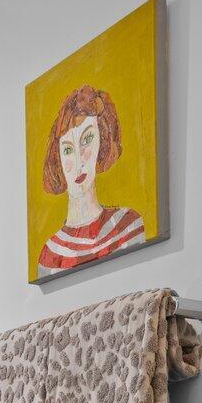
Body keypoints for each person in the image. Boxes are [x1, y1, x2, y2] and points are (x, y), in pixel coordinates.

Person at [36, 84, 147, 275]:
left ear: (102, 142)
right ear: (58, 159)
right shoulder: (50, 254)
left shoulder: (128, 225)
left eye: (87, 140)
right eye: (68, 150)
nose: (78, 160)